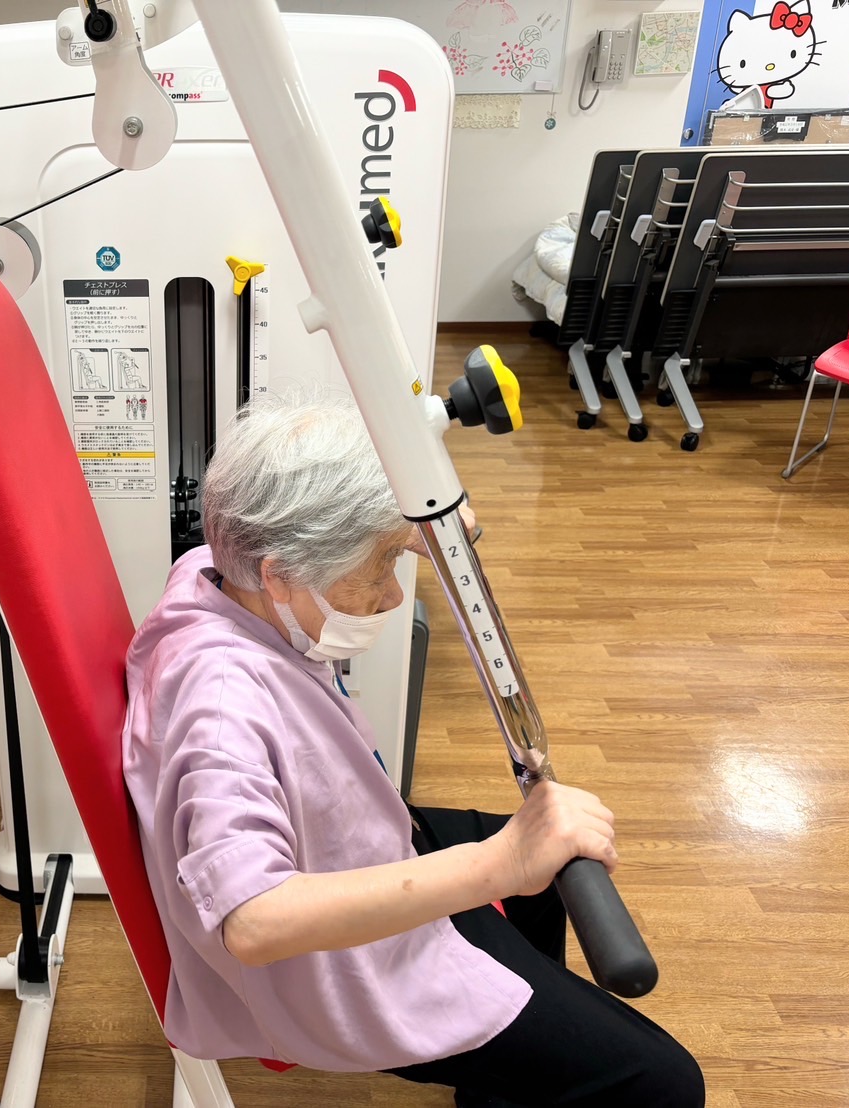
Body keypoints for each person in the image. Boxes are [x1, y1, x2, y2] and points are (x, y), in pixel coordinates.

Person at [122, 396, 704, 1107]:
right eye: (377, 570)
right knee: (664, 1083)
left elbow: (280, 509)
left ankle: (514, 1075)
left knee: (549, 867)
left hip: (356, 832)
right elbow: (254, 921)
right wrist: (498, 864)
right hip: (339, 966)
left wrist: (418, 530)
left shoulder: (215, 572)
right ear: (280, 576)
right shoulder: (220, 706)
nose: (394, 597)